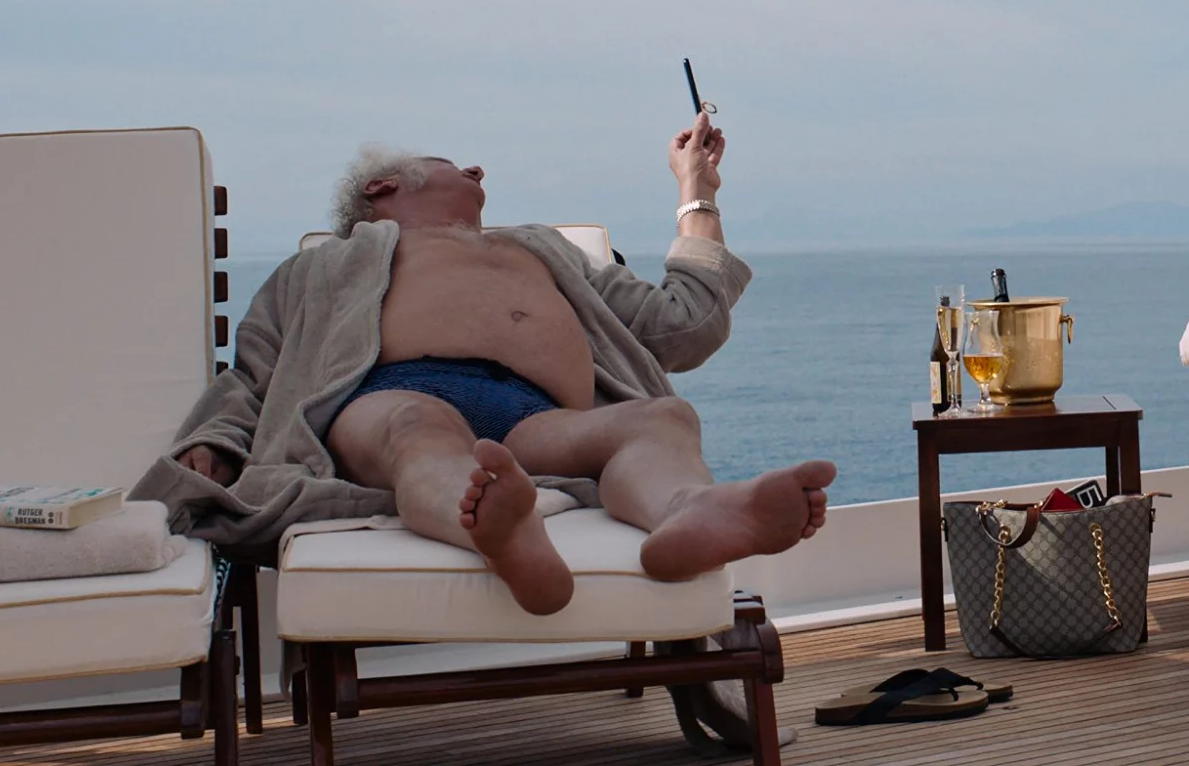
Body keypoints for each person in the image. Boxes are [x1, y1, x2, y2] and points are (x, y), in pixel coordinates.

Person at [133, 113, 835, 616]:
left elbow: (685, 326)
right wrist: (215, 441)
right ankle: (494, 526)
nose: (476, 171)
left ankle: (687, 512)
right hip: (394, 396)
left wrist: (697, 190)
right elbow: (254, 371)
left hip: (537, 417)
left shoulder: (545, 250)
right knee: (417, 434)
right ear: (382, 187)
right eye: (454, 163)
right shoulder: (322, 267)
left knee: (660, 418)